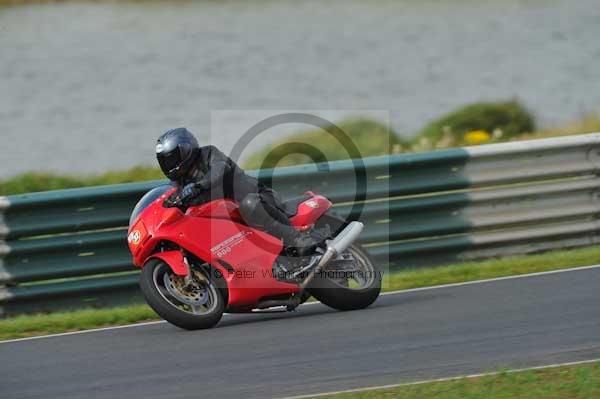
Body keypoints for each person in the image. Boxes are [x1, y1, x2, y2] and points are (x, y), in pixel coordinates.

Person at [155, 127, 318, 256]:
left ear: (185, 149)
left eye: (172, 158)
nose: (169, 164)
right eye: (164, 160)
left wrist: (199, 185)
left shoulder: (208, 154)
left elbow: (220, 168)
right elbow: (172, 198)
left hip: (258, 199)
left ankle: (297, 239)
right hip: (230, 221)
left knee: (250, 204)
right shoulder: (178, 183)